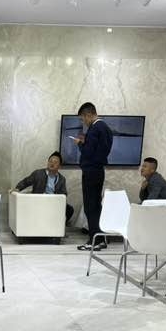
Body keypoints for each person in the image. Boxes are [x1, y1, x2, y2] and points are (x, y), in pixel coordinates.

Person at [74, 102, 113, 251]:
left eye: (82, 118)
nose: (83, 122)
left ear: (88, 114)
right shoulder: (105, 128)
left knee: (90, 207)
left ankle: (93, 241)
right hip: (98, 171)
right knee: (96, 206)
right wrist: (87, 142)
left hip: (91, 171)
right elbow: (99, 149)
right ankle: (100, 239)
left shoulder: (95, 128)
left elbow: (89, 152)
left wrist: (80, 144)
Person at [11, 151, 73, 222]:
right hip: (39, 201)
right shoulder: (38, 173)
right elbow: (26, 181)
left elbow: (64, 193)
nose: (52, 163)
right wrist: (18, 188)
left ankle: (58, 224)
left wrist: (59, 199)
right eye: (50, 161)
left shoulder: (62, 179)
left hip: (53, 202)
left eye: (55, 162)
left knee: (70, 210)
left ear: (59, 166)